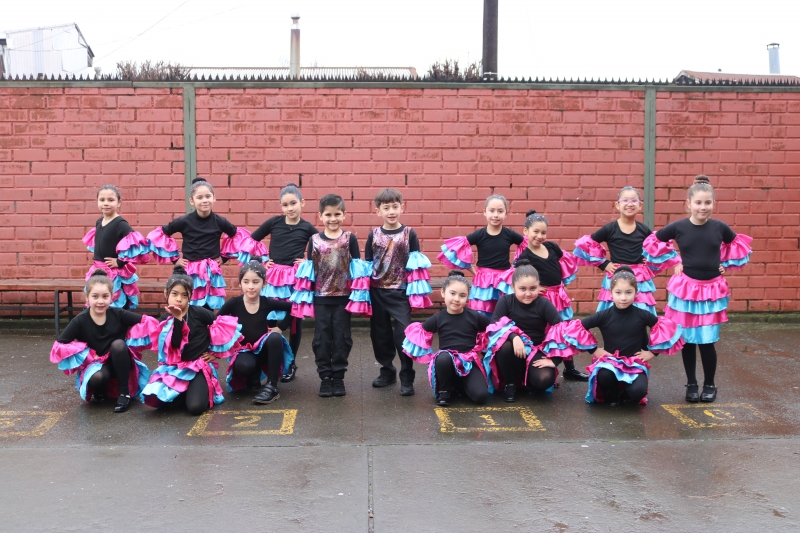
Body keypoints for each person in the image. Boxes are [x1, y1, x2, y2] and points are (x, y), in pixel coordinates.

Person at [653, 175, 752, 403]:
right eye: (698, 203)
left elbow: (737, 246)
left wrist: (725, 263)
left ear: (713, 203)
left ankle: (709, 384)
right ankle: (691, 384)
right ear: (688, 204)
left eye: (708, 202)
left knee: (707, 341)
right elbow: (654, 242)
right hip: (686, 290)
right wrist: (674, 260)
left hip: (711, 292)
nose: (703, 207)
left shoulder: (720, 227)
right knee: (688, 340)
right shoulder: (678, 227)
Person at [565, 267, 685, 406]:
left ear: (636, 292)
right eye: (618, 292)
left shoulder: (642, 315)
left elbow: (667, 330)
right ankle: (613, 393)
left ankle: (627, 395)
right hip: (610, 362)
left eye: (628, 292)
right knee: (604, 376)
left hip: (634, 364)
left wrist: (652, 353)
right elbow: (574, 329)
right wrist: (595, 350)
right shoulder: (604, 315)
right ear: (611, 293)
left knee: (638, 391)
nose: (623, 297)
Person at [289, 194, 370, 398]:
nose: (333, 219)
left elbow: (357, 270)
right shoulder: (314, 240)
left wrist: (358, 298)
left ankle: (339, 377)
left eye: (337, 214)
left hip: (343, 299)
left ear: (344, 215)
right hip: (321, 299)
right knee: (322, 339)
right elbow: (310, 271)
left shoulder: (349, 239)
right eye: (328, 215)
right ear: (320, 216)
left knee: (342, 338)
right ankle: (325, 377)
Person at [49, 271, 158, 412]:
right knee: (97, 377)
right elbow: (60, 344)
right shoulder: (80, 320)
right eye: (95, 296)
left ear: (112, 297)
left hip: (121, 362)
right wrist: (87, 354)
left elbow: (147, 322)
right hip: (98, 365)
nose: (100, 301)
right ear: (87, 297)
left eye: (105, 296)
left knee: (118, 344)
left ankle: (124, 393)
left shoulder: (118, 314)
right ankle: (100, 388)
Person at [140, 266, 242, 415]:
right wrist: (177, 319)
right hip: (175, 368)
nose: (179, 299)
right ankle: (184, 392)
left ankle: (195, 391)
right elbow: (175, 345)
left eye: (184, 295)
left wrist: (215, 354)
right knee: (162, 402)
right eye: (175, 294)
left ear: (190, 296)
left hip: (198, 366)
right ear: (166, 293)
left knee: (195, 408)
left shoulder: (199, 313)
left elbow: (225, 328)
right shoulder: (164, 319)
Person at [244, 183, 319, 382]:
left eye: (293, 203)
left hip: (294, 278)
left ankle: (291, 363)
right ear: (281, 207)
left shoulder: (307, 227)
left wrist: (308, 262)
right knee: (268, 316)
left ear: (302, 203)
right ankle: (269, 360)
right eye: (285, 205)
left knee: (294, 319)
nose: (290, 208)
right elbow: (251, 241)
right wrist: (260, 260)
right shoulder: (274, 223)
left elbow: (322, 247)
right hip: (274, 277)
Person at [365, 188, 433, 396]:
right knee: (380, 335)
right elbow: (367, 265)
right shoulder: (373, 235)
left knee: (403, 335)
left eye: (395, 207)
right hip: (377, 292)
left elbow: (415, 265)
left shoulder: (409, 234)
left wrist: (415, 294)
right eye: (386, 208)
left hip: (400, 293)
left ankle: (407, 377)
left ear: (402, 207)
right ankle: (387, 371)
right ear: (378, 211)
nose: (391, 211)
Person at [574, 186, 680, 315]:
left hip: (639, 279)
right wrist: (604, 264)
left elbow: (658, 245)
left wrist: (670, 262)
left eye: (634, 201)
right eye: (625, 200)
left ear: (640, 206)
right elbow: (586, 245)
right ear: (617, 205)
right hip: (616, 275)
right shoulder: (609, 229)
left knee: (640, 312)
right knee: (614, 313)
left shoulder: (644, 230)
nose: (630, 204)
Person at [147, 177, 245, 310]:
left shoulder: (220, 221)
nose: (204, 200)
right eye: (200, 197)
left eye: (208, 196)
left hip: (211, 272)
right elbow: (159, 235)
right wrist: (175, 259)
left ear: (214, 198)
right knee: (189, 306)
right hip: (190, 272)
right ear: (192, 201)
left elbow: (238, 237)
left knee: (208, 308)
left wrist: (224, 258)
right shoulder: (184, 221)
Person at [514, 210, 588, 381]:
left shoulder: (552, 247)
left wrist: (562, 283)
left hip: (559, 296)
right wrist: (536, 287)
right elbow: (520, 277)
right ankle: (545, 365)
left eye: (543, 232)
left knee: (564, 329)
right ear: (525, 231)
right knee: (549, 332)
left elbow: (564, 264)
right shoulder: (525, 257)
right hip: (544, 299)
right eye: (536, 231)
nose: (540, 236)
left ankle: (570, 369)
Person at [483, 259, 570, 402]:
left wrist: (555, 360)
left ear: (539, 286)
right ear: (513, 287)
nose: (528, 293)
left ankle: (528, 380)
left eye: (533, 288)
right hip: (511, 352)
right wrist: (514, 337)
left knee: (544, 379)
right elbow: (494, 327)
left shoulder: (544, 303)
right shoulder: (506, 301)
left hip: (535, 350)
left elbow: (562, 329)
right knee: (504, 346)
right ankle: (510, 384)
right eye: (522, 289)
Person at [402, 270, 491, 406]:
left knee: (481, 396)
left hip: (468, 362)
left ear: (467, 297)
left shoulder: (475, 316)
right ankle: (444, 391)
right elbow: (418, 334)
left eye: (462, 295)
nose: (456, 299)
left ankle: (460, 384)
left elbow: (492, 331)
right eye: (452, 293)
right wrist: (429, 356)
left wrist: (482, 351)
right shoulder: (438, 318)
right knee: (443, 357)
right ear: (443, 293)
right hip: (446, 363)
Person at [218, 261, 294, 405]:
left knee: (275, 337)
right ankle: (253, 375)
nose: (251, 286)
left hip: (264, 351)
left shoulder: (267, 302)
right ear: (240, 283)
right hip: (245, 351)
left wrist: (281, 327)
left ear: (264, 283)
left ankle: (272, 385)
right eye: (246, 282)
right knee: (243, 366)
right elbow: (215, 322)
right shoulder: (234, 303)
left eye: (255, 282)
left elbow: (293, 308)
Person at [437, 194, 524, 316]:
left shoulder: (509, 234)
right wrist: (473, 271)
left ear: (506, 213)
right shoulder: (479, 235)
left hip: (503, 281)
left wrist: (515, 268)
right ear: (484, 212)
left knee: (504, 312)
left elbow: (527, 246)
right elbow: (458, 249)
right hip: (483, 281)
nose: (495, 215)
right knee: (482, 312)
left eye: (500, 211)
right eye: (492, 210)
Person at [81, 184, 151, 309]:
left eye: (111, 200)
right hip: (98, 271)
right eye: (102, 200)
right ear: (97, 202)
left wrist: (120, 262)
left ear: (119, 203)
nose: (106, 203)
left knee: (113, 301)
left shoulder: (121, 224)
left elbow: (134, 245)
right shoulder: (99, 222)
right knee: (97, 301)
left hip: (113, 273)